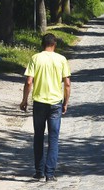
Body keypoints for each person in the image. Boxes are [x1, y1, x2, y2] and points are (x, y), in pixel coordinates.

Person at [20, 33, 71, 182]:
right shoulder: (61, 59)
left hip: (39, 103)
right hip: (55, 103)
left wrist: (24, 100)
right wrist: (65, 102)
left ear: (42, 44)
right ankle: (50, 174)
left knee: (38, 136)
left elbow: (29, 81)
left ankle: (39, 171)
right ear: (54, 45)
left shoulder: (36, 58)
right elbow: (67, 84)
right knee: (53, 138)